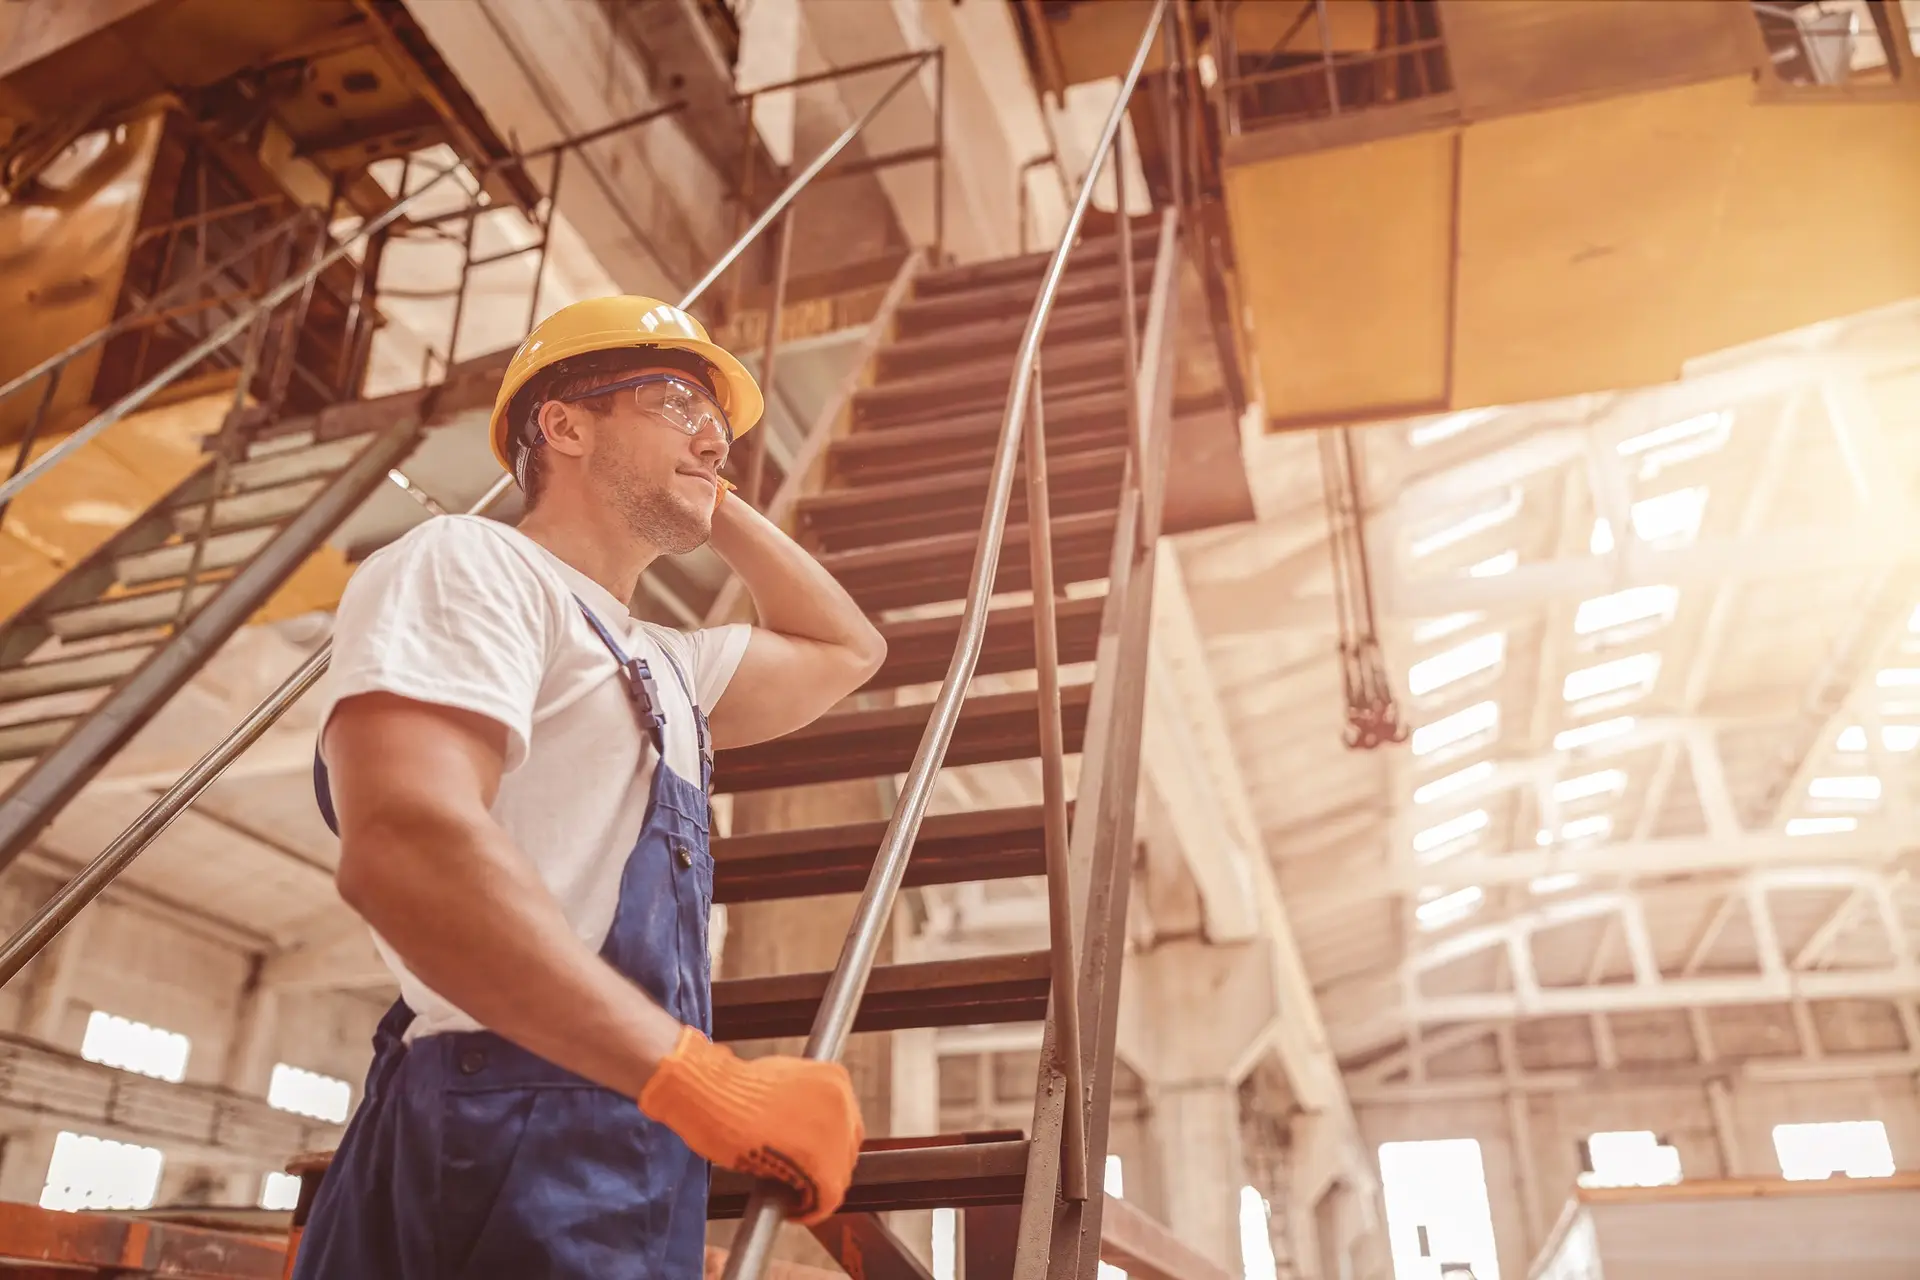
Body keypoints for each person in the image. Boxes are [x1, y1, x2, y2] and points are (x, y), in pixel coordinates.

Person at [291, 296, 885, 1278]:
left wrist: (698, 477)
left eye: (722, 425)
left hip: (629, 1117)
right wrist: (704, 1081)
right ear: (562, 424)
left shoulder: (665, 661)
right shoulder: (471, 563)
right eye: (673, 399)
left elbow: (847, 648)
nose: (716, 436)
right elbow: (406, 843)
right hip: (506, 1117)